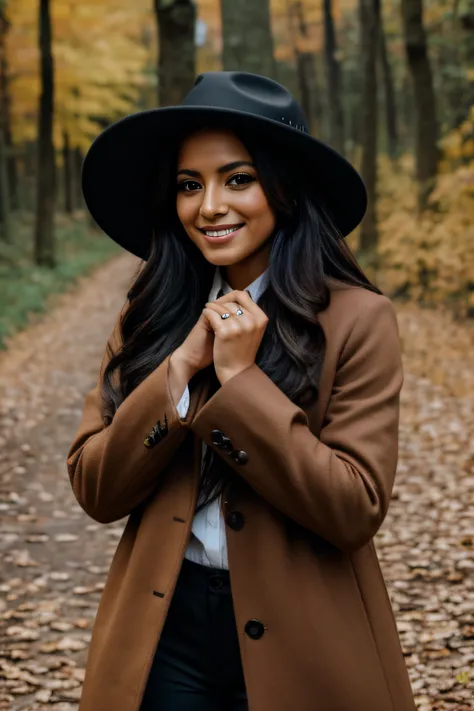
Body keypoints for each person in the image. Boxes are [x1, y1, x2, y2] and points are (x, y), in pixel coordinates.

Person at [67, 72, 417, 711]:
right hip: (163, 627)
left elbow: (354, 508)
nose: (210, 207)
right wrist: (176, 377)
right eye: (189, 185)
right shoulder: (148, 315)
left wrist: (240, 382)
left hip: (309, 636)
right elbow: (96, 489)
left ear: (283, 189)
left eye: (238, 178)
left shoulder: (358, 319)